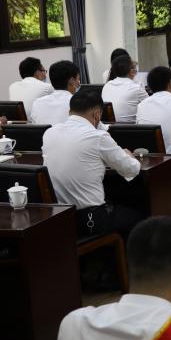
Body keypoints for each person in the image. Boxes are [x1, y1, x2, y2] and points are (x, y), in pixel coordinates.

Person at [42, 90, 143, 236]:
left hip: (60, 217)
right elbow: (131, 169)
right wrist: (130, 156)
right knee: (139, 214)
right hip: (90, 219)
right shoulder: (98, 137)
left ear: (70, 111)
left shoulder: (49, 133)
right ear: (97, 114)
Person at [30, 60, 80, 125]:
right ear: (72, 81)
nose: (79, 83)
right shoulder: (78, 104)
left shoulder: (37, 103)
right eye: (78, 79)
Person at [102, 54, 149, 123]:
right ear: (132, 72)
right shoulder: (136, 88)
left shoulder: (107, 86)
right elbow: (150, 106)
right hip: (131, 128)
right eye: (134, 68)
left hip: (109, 127)